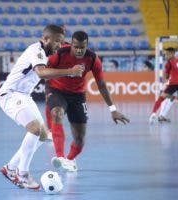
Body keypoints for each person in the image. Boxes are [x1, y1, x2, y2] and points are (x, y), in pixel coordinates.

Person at [0, 24, 85, 189]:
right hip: (10, 94)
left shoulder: (48, 51)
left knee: (45, 135)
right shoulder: (36, 50)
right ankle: (22, 174)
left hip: (24, 95)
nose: (59, 45)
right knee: (36, 129)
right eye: (57, 42)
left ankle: (10, 168)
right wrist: (70, 71)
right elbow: (41, 73)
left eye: (61, 42)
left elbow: (64, 51)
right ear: (45, 39)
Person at [45, 31, 130, 172]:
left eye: (82, 47)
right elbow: (45, 71)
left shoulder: (92, 59)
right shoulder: (59, 54)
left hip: (78, 95)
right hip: (57, 90)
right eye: (76, 47)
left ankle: (70, 160)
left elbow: (101, 85)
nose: (79, 50)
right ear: (71, 44)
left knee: (79, 139)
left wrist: (113, 109)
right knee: (57, 113)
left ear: (86, 46)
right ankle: (59, 157)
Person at [149, 47, 178, 124]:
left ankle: (154, 114)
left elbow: (167, 75)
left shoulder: (169, 63)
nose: (165, 56)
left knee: (161, 97)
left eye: (167, 54)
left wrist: (170, 77)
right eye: (165, 54)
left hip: (174, 83)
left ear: (172, 53)